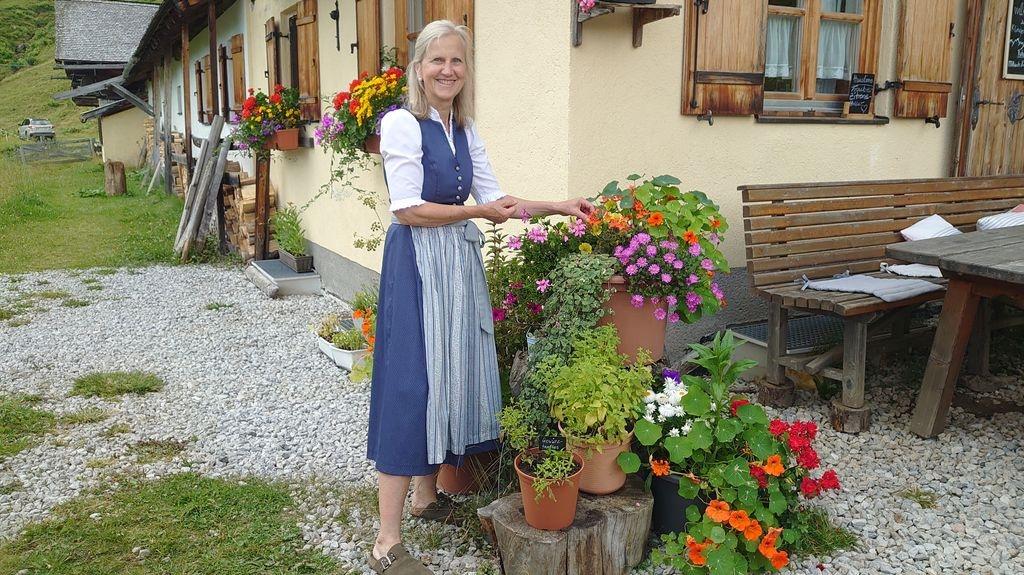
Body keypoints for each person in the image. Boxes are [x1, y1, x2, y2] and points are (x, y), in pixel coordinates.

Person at [365, 19, 594, 574]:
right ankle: (386, 541)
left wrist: (559, 206)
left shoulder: (463, 131)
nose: (448, 70)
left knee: (445, 374)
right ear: (418, 69)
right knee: (412, 381)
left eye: (457, 61)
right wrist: (475, 212)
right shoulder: (402, 124)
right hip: (418, 264)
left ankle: (425, 498)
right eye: (437, 60)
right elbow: (409, 209)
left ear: (467, 72)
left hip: (457, 265)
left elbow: (501, 201)